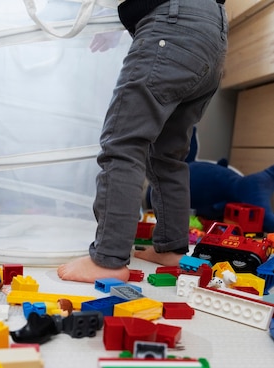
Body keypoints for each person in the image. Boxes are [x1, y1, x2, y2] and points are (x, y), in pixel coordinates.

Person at [58, 0, 228, 283]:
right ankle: (171, 248)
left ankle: (108, 259)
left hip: (172, 24)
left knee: (124, 144)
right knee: (168, 156)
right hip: (214, 31)